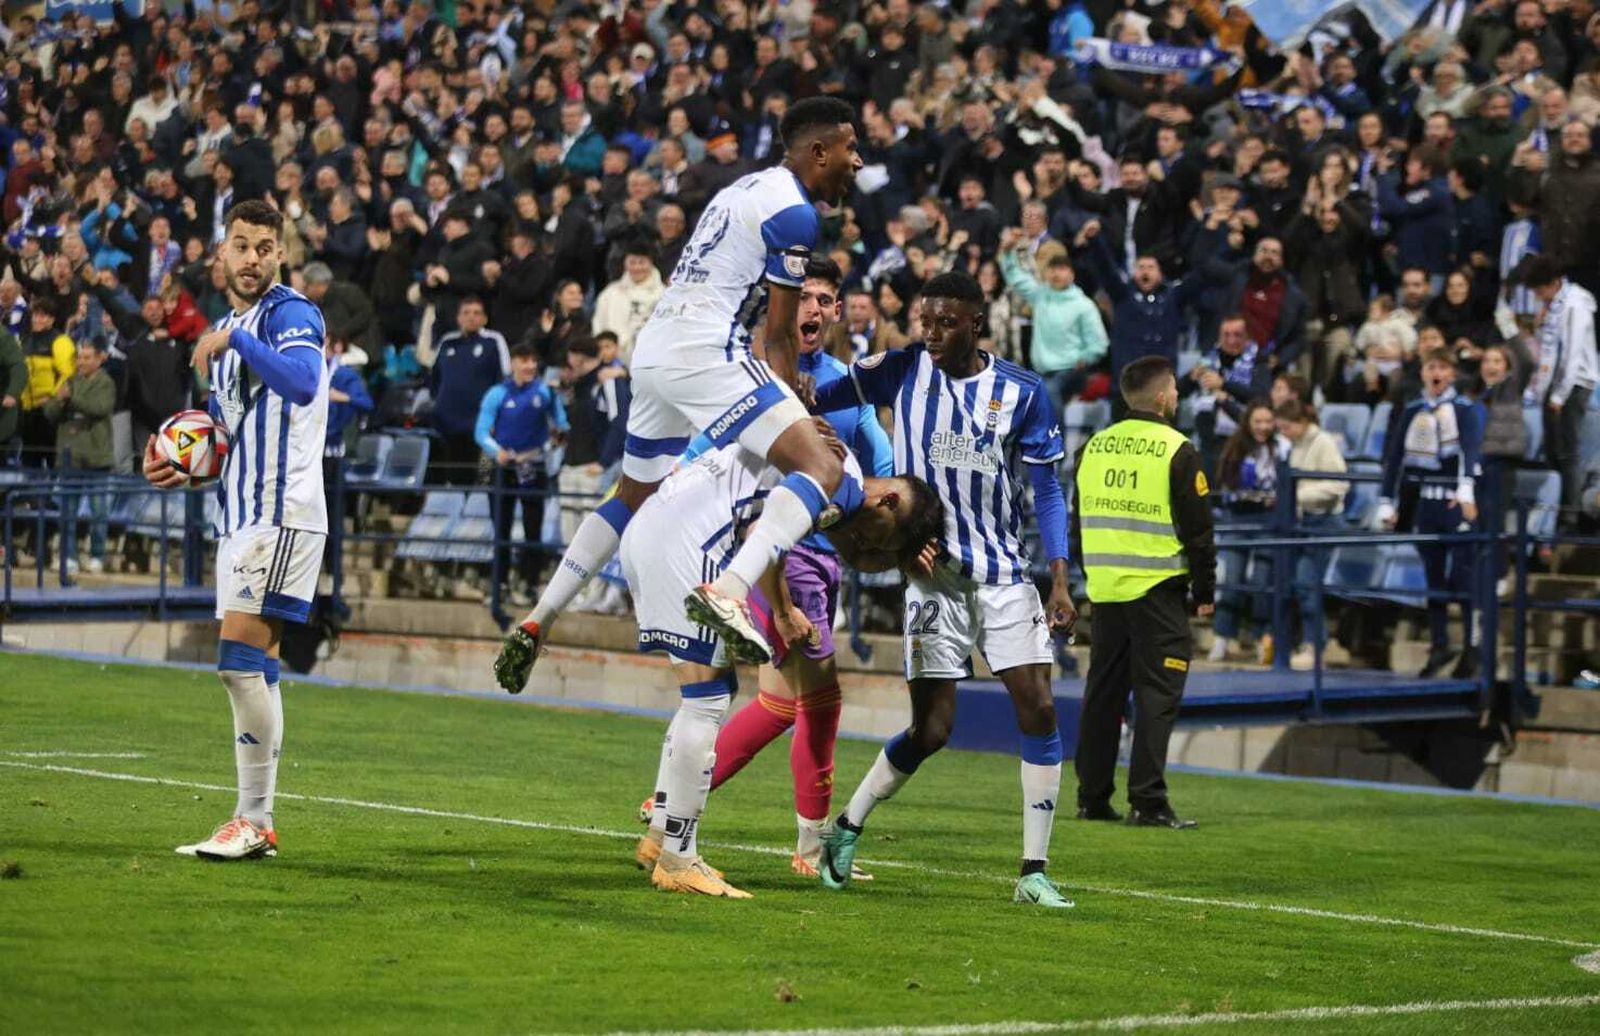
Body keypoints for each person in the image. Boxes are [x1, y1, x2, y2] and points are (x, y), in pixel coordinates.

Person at [496, 96, 865, 689]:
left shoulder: (742, 190)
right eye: (850, 149)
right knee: (824, 469)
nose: (858, 160)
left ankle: (542, 614)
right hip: (705, 345)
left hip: (657, 343)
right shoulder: (796, 215)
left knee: (632, 493)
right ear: (818, 151)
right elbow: (777, 334)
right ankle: (729, 590)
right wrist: (796, 408)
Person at [809, 272, 1080, 910]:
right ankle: (847, 827)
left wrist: (1060, 576)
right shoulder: (899, 368)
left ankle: (1033, 871)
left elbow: (1044, 489)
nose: (931, 334)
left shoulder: (1021, 392)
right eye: (925, 321)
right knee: (931, 731)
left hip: (1004, 573)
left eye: (945, 323)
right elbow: (813, 404)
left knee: (1038, 707)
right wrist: (881, 516)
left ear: (976, 322)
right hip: (931, 578)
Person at [639, 257, 894, 878]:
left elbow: (884, 470)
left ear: (838, 312)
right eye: (802, 296)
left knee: (776, 702)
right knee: (820, 700)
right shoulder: (750, 382)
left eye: (824, 299)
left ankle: (662, 817)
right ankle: (811, 850)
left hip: (819, 556)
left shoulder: (847, 389)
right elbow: (699, 455)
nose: (812, 308)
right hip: (776, 554)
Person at [611, 436, 941, 898]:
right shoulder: (828, 426)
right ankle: (801, 848)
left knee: (771, 704)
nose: (873, 547)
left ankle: (664, 828)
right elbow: (770, 524)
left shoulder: (846, 423)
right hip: (782, 560)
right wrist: (784, 608)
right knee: (795, 702)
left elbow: (859, 531)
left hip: (786, 554)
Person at [141, 199, 329, 860]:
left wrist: (241, 341)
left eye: (264, 247)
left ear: (280, 252)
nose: (252, 259)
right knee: (260, 669)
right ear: (222, 253)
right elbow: (227, 431)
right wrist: (177, 457)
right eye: (241, 246)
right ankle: (259, 823)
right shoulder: (224, 329)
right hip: (242, 515)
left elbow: (305, 385)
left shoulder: (290, 314)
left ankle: (252, 820)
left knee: (237, 665)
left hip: (281, 513)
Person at [1071, 356, 1216, 829]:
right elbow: (1199, 533)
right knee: (1157, 695)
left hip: (1106, 588)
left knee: (1103, 694)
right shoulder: (1178, 449)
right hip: (1157, 590)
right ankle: (1148, 801)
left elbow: (1078, 522)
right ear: (1160, 396)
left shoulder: (1095, 447)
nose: (1176, 396)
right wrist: (1206, 589)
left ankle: (1092, 797)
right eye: (1173, 388)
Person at [1379, 348, 1486, 679]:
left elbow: (1471, 449)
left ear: (1452, 373)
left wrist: (1466, 488)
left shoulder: (1464, 409)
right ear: (1423, 373)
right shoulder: (1412, 410)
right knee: (1433, 577)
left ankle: (1472, 647)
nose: (1436, 373)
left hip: (1456, 500)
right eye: (1430, 367)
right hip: (1426, 501)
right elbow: (1394, 458)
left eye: (1442, 367)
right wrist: (1387, 499)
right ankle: (1439, 644)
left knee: (1464, 576)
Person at [476, 341, 568, 604]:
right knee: (501, 530)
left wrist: (544, 448)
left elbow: (562, 427)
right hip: (503, 467)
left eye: (533, 361)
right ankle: (500, 584)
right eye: (524, 361)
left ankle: (529, 585)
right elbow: (481, 431)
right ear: (514, 363)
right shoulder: (497, 393)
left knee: (533, 529)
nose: (529, 366)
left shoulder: (546, 393)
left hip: (532, 466)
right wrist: (498, 452)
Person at [1520, 256, 1597, 529]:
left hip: (1575, 383)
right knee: (1553, 452)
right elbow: (1550, 349)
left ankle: (1569, 515)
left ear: (1553, 283)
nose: (1538, 297)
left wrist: (1558, 396)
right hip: (1555, 382)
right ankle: (1552, 514)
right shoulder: (1555, 306)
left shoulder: (1576, 304)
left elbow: (1573, 354)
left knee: (1568, 452)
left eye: (1540, 291)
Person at [1205, 401, 1285, 665]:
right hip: (1238, 516)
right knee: (1232, 580)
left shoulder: (1282, 447)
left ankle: (1264, 640)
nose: (1263, 427)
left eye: (1267, 422)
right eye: (1257, 422)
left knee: (1263, 583)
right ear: (1248, 423)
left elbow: (1287, 483)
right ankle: (1222, 639)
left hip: (1267, 519)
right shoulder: (1234, 447)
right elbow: (1223, 484)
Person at [997, 227, 1107, 413]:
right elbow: (1015, 278)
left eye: (1062, 269)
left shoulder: (1083, 305)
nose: (1056, 274)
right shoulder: (1040, 296)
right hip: (1039, 371)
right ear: (1046, 273)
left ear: (1071, 274)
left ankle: (1057, 441)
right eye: (1052, 270)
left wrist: (1086, 357)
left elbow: (1099, 344)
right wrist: (1008, 253)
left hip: (1071, 371)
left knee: (1049, 391)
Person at [1274, 400, 1349, 670]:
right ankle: (1308, 643)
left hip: (1324, 522)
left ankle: (1316, 646)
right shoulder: (1293, 444)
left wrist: (1297, 495)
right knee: (1295, 584)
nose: (1283, 433)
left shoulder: (1323, 443)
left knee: (1307, 584)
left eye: (1286, 427)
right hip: (1302, 523)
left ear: (1301, 423)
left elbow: (1339, 483)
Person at [560, 337, 631, 615]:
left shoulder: (609, 381)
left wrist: (603, 462)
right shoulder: (577, 386)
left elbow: (619, 422)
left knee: (593, 539)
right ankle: (575, 593)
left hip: (593, 469)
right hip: (571, 466)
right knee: (570, 540)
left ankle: (598, 594)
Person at [44, 343, 116, 576]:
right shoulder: (69, 381)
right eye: (79, 358)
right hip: (69, 458)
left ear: (98, 359)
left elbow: (100, 408)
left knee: (98, 512)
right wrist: (59, 401)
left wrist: (70, 399)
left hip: (97, 458)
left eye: (86, 357)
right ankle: (69, 556)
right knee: (68, 512)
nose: (81, 362)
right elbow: (51, 413)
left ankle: (96, 556)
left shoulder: (105, 383)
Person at [429, 297, 511, 486]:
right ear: (458, 318)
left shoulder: (493, 341)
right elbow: (434, 378)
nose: (471, 317)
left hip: (478, 421)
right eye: (466, 313)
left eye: (476, 313)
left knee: (476, 477)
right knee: (449, 477)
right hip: (446, 421)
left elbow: (503, 379)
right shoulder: (447, 342)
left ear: (484, 319)